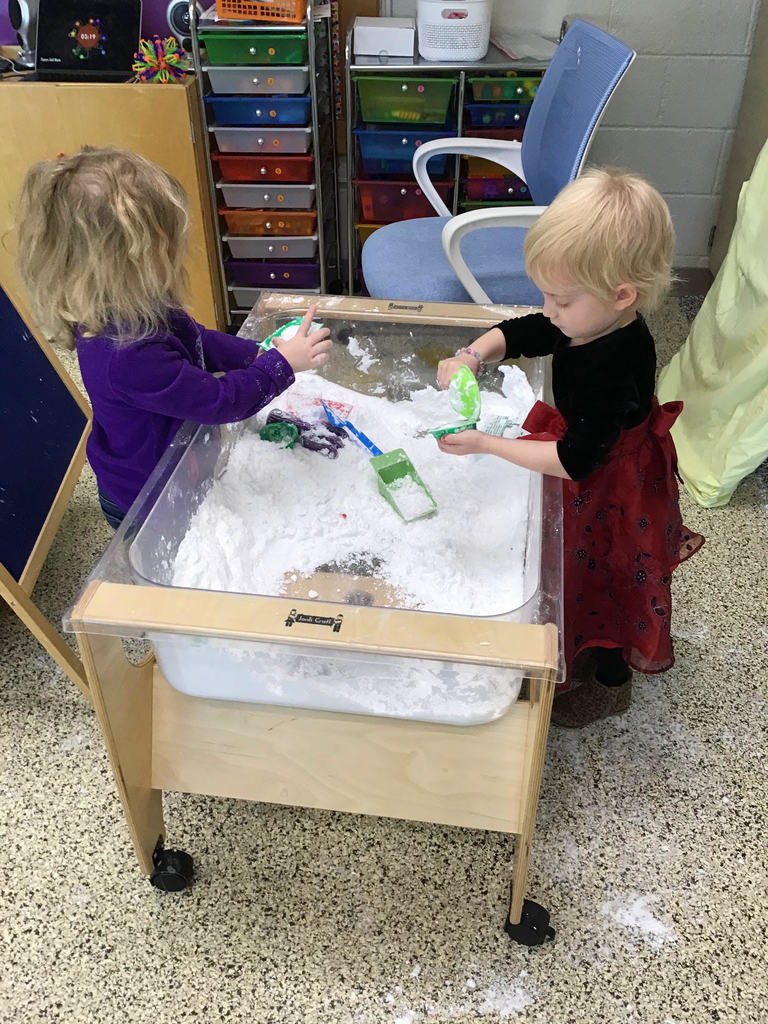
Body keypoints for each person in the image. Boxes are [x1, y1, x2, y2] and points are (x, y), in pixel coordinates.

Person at [436, 168, 703, 728]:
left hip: (613, 482)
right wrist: (472, 355)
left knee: (609, 573)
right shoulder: (588, 318)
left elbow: (575, 460)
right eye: (546, 294)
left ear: (621, 294)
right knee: (578, 569)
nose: (548, 308)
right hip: (592, 450)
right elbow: (529, 330)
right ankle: (587, 652)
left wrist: (488, 443)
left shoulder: (614, 360)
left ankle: (609, 681)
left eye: (559, 298)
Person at [16, 146, 331, 529]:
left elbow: (196, 339)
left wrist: (258, 353)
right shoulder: (127, 355)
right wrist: (279, 367)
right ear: (128, 264)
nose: (179, 255)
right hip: (147, 498)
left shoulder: (138, 303)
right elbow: (219, 401)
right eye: (168, 247)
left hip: (177, 461)